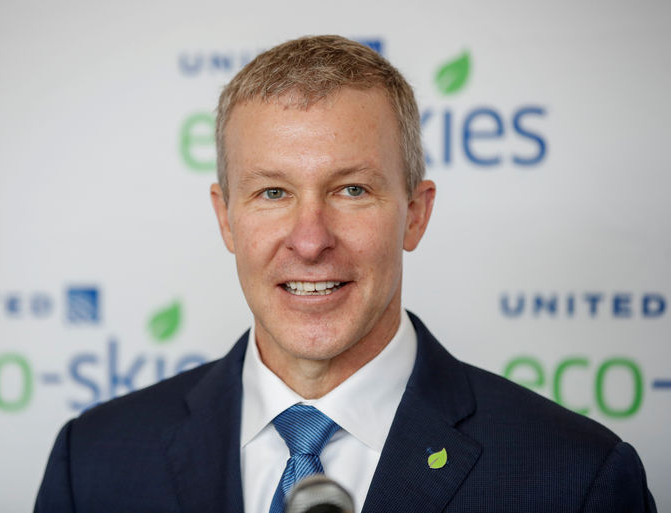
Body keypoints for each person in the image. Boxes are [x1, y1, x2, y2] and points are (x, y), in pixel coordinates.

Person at [34, 35, 656, 513]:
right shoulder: (91, 464)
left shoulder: (577, 478)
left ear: (415, 215)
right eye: (273, 192)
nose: (310, 241)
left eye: (352, 189)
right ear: (226, 219)